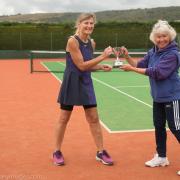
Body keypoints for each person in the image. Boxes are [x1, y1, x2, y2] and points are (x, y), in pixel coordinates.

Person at [120, 20, 180, 175]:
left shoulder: (173, 54)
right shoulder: (152, 52)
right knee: (159, 127)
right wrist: (127, 56)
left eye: (165, 36)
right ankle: (161, 157)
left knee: (177, 128)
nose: (161, 39)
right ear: (154, 38)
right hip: (158, 98)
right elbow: (140, 65)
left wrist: (131, 69)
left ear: (170, 37)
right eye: (158, 37)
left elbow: (157, 73)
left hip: (172, 97)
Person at [53, 13, 113, 166]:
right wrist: (103, 56)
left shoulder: (91, 43)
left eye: (92, 23)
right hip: (71, 82)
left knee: (93, 118)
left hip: (86, 82)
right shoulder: (72, 41)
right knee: (64, 118)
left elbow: (88, 65)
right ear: (79, 24)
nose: (89, 26)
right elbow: (80, 66)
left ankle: (100, 151)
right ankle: (56, 151)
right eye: (86, 23)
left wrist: (100, 67)